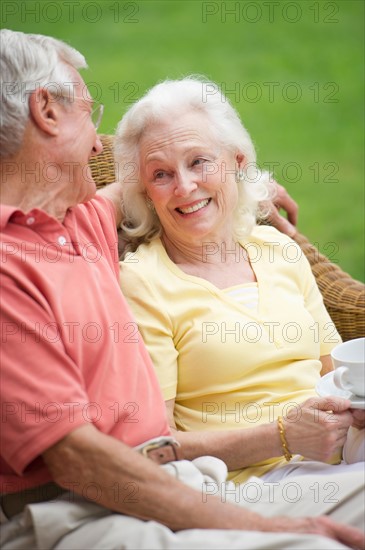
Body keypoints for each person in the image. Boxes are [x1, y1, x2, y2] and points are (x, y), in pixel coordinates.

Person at [0, 29, 364, 550]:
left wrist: (246, 183)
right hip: (80, 507)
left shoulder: (77, 221)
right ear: (47, 112)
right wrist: (280, 525)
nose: (98, 141)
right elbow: (81, 463)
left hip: (179, 483)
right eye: (89, 112)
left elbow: (154, 181)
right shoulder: (9, 267)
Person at [117, 77, 365, 485]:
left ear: (236, 161)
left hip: (343, 456)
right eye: (160, 174)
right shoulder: (144, 282)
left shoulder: (278, 249)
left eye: (198, 161)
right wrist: (282, 437)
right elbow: (156, 447)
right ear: (144, 192)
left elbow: (335, 375)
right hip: (253, 484)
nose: (184, 187)